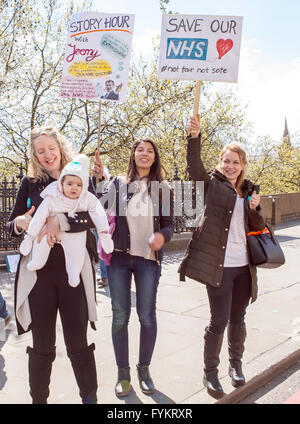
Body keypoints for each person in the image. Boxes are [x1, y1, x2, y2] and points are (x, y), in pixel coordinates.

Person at [6, 126, 101, 404]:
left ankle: (89, 398)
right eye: (40, 151)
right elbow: (11, 224)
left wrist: (63, 221)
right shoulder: (30, 183)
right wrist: (21, 223)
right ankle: (39, 400)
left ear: (60, 147)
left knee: (78, 344)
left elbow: (95, 217)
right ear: (35, 156)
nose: (47, 155)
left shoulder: (81, 177)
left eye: (50, 148)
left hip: (73, 273)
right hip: (39, 276)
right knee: (42, 345)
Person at [178, 115, 266, 399]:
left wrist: (255, 208)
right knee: (219, 320)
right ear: (220, 163)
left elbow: (257, 227)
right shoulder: (211, 184)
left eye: (235, 162)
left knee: (238, 318)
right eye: (225, 161)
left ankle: (235, 365)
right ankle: (210, 372)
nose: (230, 166)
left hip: (244, 267)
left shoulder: (250, 190)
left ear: (243, 166)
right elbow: (194, 166)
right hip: (219, 267)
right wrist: (195, 136)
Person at [93, 140, 174, 397]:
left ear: (154, 157)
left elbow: (170, 225)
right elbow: (99, 207)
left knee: (147, 316)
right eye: (141, 149)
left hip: (148, 260)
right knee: (119, 316)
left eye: (150, 151)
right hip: (118, 258)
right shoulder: (117, 183)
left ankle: (144, 369)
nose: (145, 153)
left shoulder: (163, 189)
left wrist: (162, 236)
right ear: (133, 154)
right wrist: (96, 180)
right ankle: (123, 373)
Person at [19, 154, 113, 287]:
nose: (74, 188)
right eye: (70, 184)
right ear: (61, 183)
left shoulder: (87, 198)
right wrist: (29, 237)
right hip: (48, 232)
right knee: (41, 241)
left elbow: (98, 214)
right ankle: (38, 260)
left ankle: (73, 273)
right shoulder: (52, 196)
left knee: (76, 252)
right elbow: (39, 216)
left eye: (79, 185)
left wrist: (104, 234)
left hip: (74, 233)